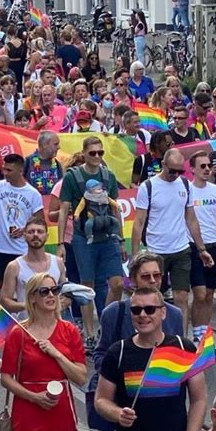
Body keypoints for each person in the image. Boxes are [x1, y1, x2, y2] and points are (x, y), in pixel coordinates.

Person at [95, 287, 206, 431]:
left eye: (150, 309)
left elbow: (199, 399)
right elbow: (101, 400)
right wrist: (118, 413)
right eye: (136, 310)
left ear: (163, 313)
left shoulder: (184, 348)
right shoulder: (118, 352)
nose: (142, 315)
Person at [0, 272, 87, 431]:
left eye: (54, 290)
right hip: (28, 413)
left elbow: (81, 377)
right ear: (32, 297)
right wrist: (34, 397)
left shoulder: (69, 331)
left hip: (61, 412)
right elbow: (6, 378)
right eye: (44, 291)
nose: (51, 295)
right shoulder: (18, 333)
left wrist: (57, 355)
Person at [131, 149, 214, 331]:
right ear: (163, 165)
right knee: (152, 298)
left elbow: (191, 219)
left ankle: (180, 341)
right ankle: (154, 338)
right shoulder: (149, 186)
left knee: (182, 297)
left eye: (180, 171)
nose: (176, 175)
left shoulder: (184, 185)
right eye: (172, 171)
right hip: (156, 251)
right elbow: (139, 222)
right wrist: (135, 255)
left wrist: (201, 249)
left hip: (181, 249)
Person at [59, 136, 123, 350]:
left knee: (117, 283)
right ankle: (89, 334)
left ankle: (105, 326)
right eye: (93, 153)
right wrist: (61, 242)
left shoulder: (109, 176)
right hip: (83, 238)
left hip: (108, 236)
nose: (97, 157)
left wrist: (121, 238)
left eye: (100, 153)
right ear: (84, 153)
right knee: (88, 286)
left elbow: (116, 208)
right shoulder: (72, 178)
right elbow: (64, 210)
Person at [92, 252, 184, 375]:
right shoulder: (113, 312)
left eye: (156, 275)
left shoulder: (175, 314)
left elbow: (179, 355)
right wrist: (116, 378)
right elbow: (101, 354)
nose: (152, 281)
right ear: (133, 280)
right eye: (146, 276)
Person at [0, 153, 44, 284]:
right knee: (2, 283)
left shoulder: (33, 194)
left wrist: (24, 230)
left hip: (22, 249)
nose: (5, 173)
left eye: (9, 170)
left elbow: (40, 222)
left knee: (24, 284)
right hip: (0, 248)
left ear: (21, 170)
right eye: (4, 169)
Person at [1, 217, 66, 320]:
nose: (35, 235)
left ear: (47, 236)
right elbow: (4, 301)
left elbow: (66, 292)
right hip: (26, 327)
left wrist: (62, 302)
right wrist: (28, 305)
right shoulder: (14, 266)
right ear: (25, 236)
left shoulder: (58, 262)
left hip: (55, 324)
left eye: (40, 232)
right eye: (31, 232)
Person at [188, 151, 216, 344]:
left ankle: (204, 336)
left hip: (214, 246)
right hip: (193, 248)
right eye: (202, 166)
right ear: (192, 169)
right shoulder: (187, 191)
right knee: (199, 293)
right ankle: (196, 333)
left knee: (208, 295)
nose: (207, 169)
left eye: (209, 165)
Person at [23, 131, 63, 195]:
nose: (59, 147)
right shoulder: (27, 162)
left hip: (50, 204)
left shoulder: (57, 165)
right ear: (44, 145)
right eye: (56, 144)